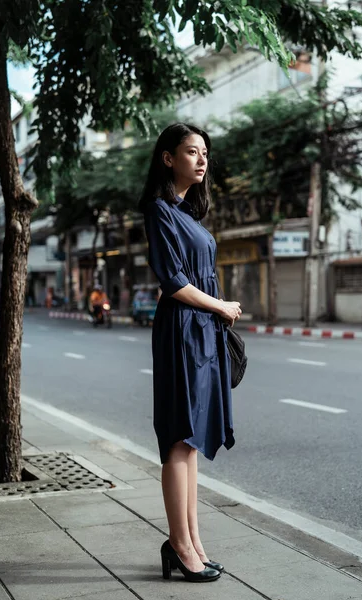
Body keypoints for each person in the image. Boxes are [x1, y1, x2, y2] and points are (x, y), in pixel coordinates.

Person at [139, 123, 242, 583]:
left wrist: (217, 312)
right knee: (179, 439)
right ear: (167, 158)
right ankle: (180, 546)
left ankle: (193, 542)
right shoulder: (159, 210)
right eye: (191, 152)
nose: (202, 160)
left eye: (205, 153)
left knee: (192, 442)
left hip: (202, 333)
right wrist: (220, 304)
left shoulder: (188, 214)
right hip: (182, 331)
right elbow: (174, 282)